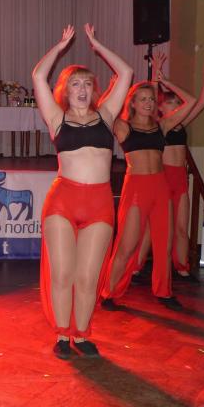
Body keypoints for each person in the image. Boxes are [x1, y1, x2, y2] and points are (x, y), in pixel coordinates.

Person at [32, 24, 133, 360]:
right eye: (75, 83)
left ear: (94, 90)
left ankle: (82, 333)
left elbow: (126, 72)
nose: (82, 88)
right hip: (63, 201)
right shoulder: (56, 118)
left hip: (99, 203)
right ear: (65, 89)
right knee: (63, 273)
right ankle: (63, 334)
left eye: (87, 83)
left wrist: (98, 46)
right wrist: (60, 47)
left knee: (88, 277)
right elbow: (38, 75)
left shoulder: (106, 114)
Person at [100, 60, 204, 313]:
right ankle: (108, 292)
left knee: (164, 245)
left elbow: (191, 102)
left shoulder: (163, 125)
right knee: (127, 245)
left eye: (151, 99)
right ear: (133, 103)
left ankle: (164, 291)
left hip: (161, 187)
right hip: (136, 188)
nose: (148, 103)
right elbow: (103, 112)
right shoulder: (123, 127)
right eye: (143, 99)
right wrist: (111, 89)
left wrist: (166, 82)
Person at [133, 53, 204, 278]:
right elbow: (150, 96)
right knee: (151, 228)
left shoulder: (182, 123)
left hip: (180, 180)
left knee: (181, 227)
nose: (177, 105)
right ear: (160, 108)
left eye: (178, 103)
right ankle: (136, 266)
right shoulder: (158, 125)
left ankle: (182, 266)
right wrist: (157, 78)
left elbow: (200, 101)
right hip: (163, 178)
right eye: (171, 102)